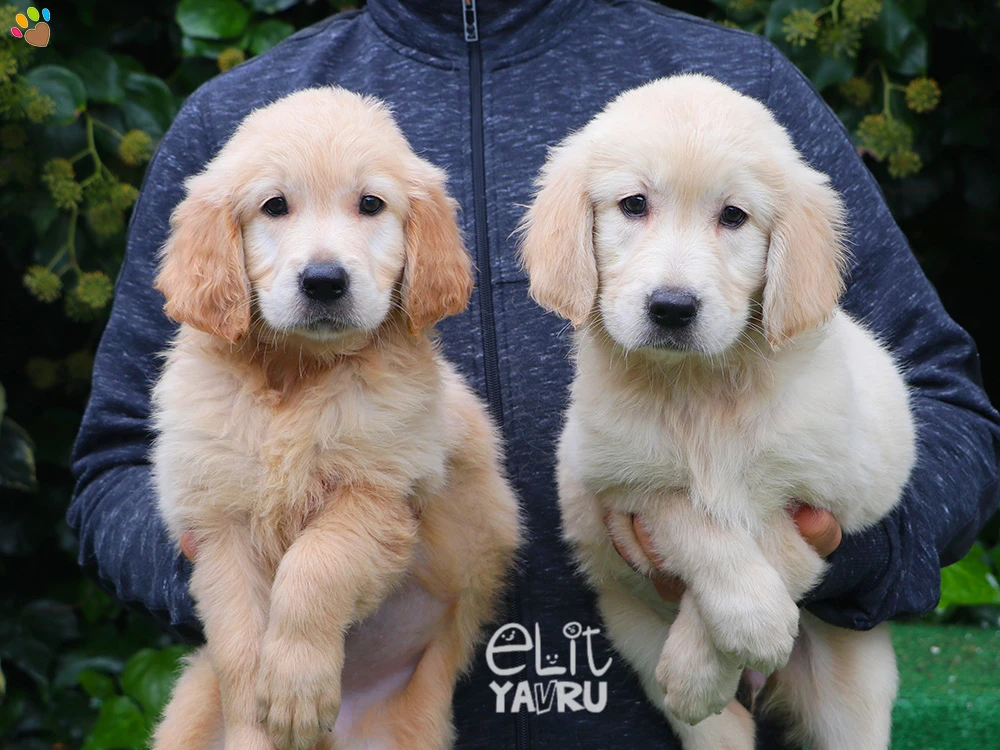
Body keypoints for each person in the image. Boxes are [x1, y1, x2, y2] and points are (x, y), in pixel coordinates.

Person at [68, 1, 1000, 748]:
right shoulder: (244, 125)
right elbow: (114, 464)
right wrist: (265, 576)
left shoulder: (733, 96)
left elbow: (948, 409)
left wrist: (823, 551)